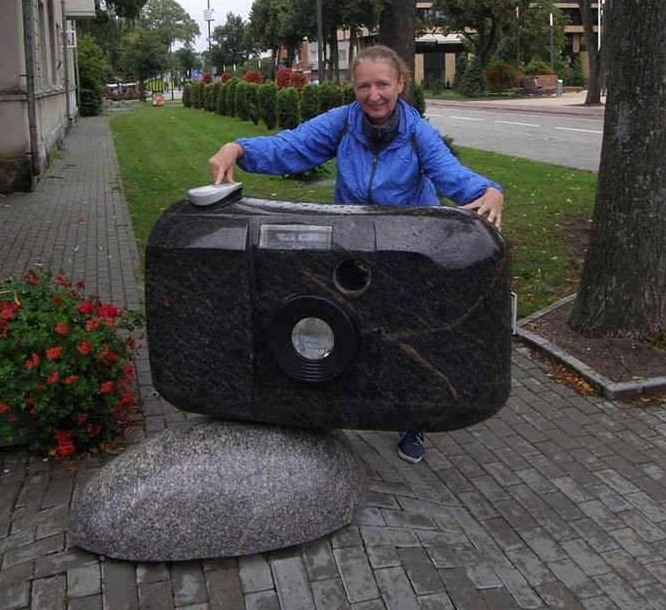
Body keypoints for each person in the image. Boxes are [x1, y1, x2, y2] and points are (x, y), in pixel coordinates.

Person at [208, 45, 504, 463]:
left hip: (405, 248)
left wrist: (488, 191)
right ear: (354, 87)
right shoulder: (343, 123)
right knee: (348, 327)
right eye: (364, 86)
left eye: (383, 84)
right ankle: (343, 404)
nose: (373, 95)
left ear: (400, 84)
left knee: (406, 336)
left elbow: (451, 174)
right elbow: (292, 146)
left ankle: (412, 420)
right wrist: (237, 149)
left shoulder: (417, 133)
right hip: (352, 244)